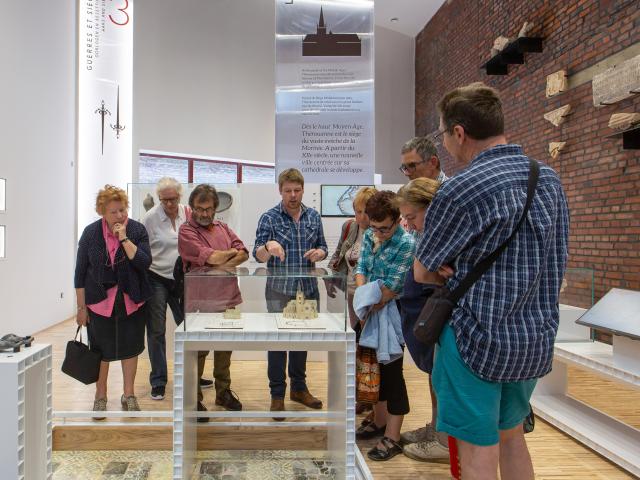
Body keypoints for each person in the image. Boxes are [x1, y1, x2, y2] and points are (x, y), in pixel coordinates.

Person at [416, 82, 569, 479]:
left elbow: (421, 270)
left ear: (459, 133)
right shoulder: (549, 180)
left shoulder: (462, 189)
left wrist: (447, 267)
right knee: (512, 437)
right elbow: (556, 258)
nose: (446, 143)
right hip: (533, 339)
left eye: (444, 134)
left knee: (477, 451)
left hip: (475, 340)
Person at [253, 168, 328, 419]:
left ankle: (299, 388)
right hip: (279, 290)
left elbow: (324, 247)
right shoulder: (269, 218)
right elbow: (257, 255)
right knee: (277, 343)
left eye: (297, 190)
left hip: (307, 289)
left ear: (303, 190)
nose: (293, 195)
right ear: (280, 190)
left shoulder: (314, 217)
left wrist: (320, 254)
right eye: (288, 191)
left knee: (302, 340)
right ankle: (277, 395)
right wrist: (268, 246)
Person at [74, 185, 152, 417]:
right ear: (102, 212)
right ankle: (100, 395)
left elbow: (144, 262)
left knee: (131, 348)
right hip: (99, 302)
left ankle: (129, 395)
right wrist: (81, 307)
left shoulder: (137, 230)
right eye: (113, 212)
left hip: (132, 299)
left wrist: (124, 238)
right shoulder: (90, 233)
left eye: (122, 210)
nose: (119, 216)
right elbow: (79, 273)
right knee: (100, 350)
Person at [353, 190, 415, 461]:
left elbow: (392, 287)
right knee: (371, 372)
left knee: (392, 377)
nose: (378, 234)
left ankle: (393, 435)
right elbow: (361, 269)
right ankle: (378, 422)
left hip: (392, 317)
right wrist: (363, 299)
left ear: (397, 218)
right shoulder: (369, 235)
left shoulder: (407, 244)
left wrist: (366, 302)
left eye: (384, 229)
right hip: (366, 312)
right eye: (375, 228)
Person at [178, 184, 248, 416]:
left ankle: (223, 392)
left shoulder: (223, 227)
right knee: (197, 351)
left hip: (228, 300)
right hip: (200, 303)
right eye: (199, 208)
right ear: (192, 208)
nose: (204, 213)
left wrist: (220, 261)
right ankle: (193, 398)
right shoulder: (186, 231)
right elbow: (218, 255)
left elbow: (244, 253)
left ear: (215, 208)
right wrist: (226, 256)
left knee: (225, 348)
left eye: (208, 209)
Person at [395, 178, 450, 463]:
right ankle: (437, 431)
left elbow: (423, 275)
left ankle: (444, 441)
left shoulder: (441, 233)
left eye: (412, 217)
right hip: (428, 317)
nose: (410, 224)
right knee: (436, 378)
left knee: (443, 380)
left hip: (440, 319)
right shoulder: (427, 234)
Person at [142, 177, 189, 401]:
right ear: (159, 199)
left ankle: (193, 375)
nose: (170, 204)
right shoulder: (150, 219)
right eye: (165, 200)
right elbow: (142, 251)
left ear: (180, 196)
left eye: (174, 199)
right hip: (156, 277)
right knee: (156, 330)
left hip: (181, 279)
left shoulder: (187, 213)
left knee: (189, 327)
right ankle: (159, 380)